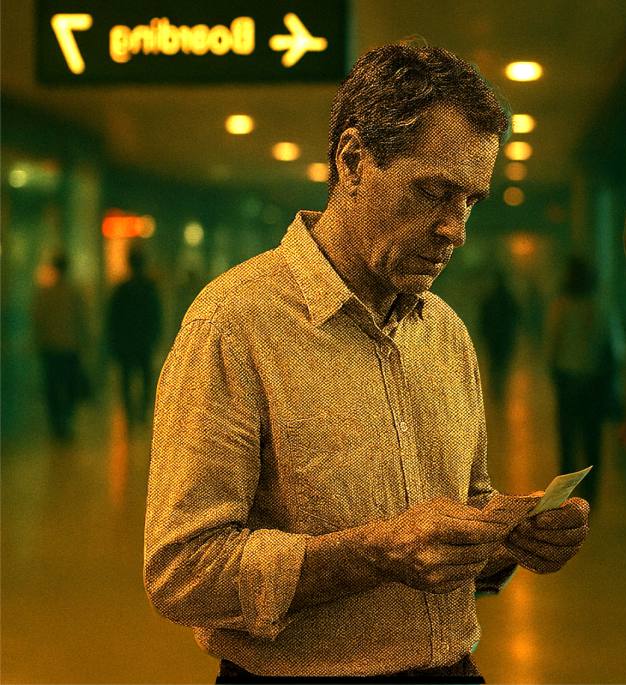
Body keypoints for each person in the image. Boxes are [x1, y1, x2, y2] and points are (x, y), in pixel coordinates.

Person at [144, 43, 590, 683]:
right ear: (353, 160)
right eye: (434, 192)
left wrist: (510, 534)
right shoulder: (236, 323)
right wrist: (372, 554)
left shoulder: (445, 332)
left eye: (470, 201)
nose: (455, 230)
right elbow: (182, 573)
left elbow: (461, 508)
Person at [545, 256, 613, 505]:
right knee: (592, 437)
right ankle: (591, 491)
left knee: (567, 436)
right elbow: (611, 343)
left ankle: (565, 491)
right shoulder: (599, 306)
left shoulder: (561, 305)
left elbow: (552, 342)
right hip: (593, 380)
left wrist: (553, 371)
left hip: (567, 377)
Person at [32, 250, 90, 441]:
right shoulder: (74, 293)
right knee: (69, 385)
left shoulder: (45, 292)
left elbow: (39, 319)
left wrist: (39, 341)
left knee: (52, 386)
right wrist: (84, 342)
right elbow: (81, 320)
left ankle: (56, 422)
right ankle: (67, 420)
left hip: (50, 347)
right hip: (70, 347)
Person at [106, 245, 163, 427]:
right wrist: (155, 337)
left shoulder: (121, 289)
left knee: (126, 379)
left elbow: (113, 319)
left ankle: (130, 413)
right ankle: (142, 412)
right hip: (144, 342)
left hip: (125, 343)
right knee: (146, 379)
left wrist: (113, 342)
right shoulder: (149, 288)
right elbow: (155, 315)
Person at [478, 269, 520, 401]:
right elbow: (515, 317)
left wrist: (484, 334)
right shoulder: (509, 298)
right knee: (502, 366)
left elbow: (484, 319)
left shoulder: (490, 299)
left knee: (494, 365)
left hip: (493, 338)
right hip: (504, 337)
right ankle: (500, 391)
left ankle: (494, 390)